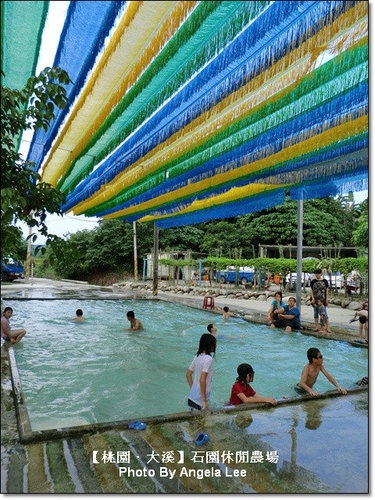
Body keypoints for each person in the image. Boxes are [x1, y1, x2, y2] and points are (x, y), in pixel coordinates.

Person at [186, 333, 216, 410]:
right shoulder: (209, 359)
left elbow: (188, 374)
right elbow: (202, 380)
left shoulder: (197, 356)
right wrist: (204, 400)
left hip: (192, 397)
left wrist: (193, 388)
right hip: (200, 400)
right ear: (210, 345)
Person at [310, 269, 331, 333]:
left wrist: (327, 299)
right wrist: (313, 298)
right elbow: (311, 290)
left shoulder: (325, 281)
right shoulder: (313, 281)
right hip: (315, 299)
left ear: (321, 274)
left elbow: (327, 290)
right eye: (316, 273)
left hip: (322, 299)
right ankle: (317, 326)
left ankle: (327, 327)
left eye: (318, 273)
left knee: (324, 313)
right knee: (315, 313)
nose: (317, 275)